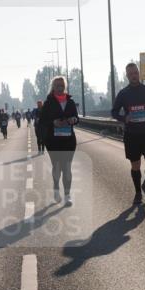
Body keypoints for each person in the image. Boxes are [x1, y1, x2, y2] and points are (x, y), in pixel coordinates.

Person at [112, 62, 145, 205]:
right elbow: (114, 112)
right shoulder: (123, 93)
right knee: (136, 166)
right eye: (131, 73)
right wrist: (123, 118)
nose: (134, 75)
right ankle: (138, 192)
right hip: (132, 135)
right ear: (127, 76)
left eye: (135, 73)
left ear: (139, 73)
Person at [38, 75, 79, 205]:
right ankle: (56, 189)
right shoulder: (48, 103)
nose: (60, 88)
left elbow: (77, 118)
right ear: (53, 87)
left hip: (68, 140)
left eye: (62, 86)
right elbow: (42, 122)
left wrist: (73, 120)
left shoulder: (70, 101)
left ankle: (67, 196)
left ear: (65, 87)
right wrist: (53, 122)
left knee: (67, 167)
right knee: (57, 167)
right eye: (57, 86)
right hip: (53, 141)